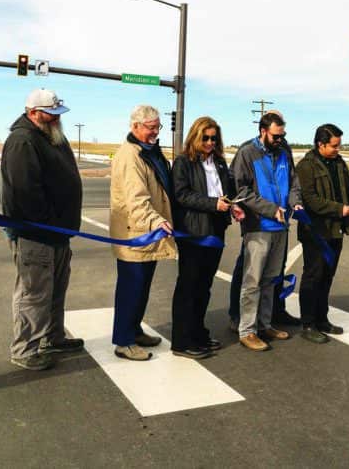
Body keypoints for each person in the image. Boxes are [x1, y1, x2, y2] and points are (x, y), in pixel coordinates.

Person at [1, 88, 84, 371]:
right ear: (34, 113)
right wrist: (48, 222)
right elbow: (24, 192)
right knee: (34, 293)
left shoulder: (50, 136)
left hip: (58, 232)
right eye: (51, 114)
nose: (56, 119)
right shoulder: (22, 141)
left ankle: (52, 336)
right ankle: (25, 348)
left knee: (55, 289)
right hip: (36, 233)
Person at [108, 105, 179, 361]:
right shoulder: (130, 156)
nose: (155, 132)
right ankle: (123, 342)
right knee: (131, 288)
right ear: (135, 126)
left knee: (142, 288)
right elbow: (136, 199)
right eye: (150, 127)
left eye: (157, 127)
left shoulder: (148, 152)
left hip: (148, 233)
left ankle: (134, 330)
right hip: (135, 234)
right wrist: (156, 221)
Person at [172, 116, 245, 357]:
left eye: (214, 138)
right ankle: (182, 341)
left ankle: (198, 332)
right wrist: (214, 204)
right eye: (205, 138)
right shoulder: (183, 162)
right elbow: (182, 195)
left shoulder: (220, 163)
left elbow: (225, 193)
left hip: (215, 230)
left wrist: (232, 206)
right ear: (195, 136)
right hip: (193, 232)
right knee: (189, 286)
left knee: (204, 286)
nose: (210, 142)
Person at [231, 112, 303, 351]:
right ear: (263, 131)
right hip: (258, 226)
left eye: (282, 135)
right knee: (252, 281)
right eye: (275, 135)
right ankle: (247, 331)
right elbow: (240, 190)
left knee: (271, 280)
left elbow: (294, 182)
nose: (279, 140)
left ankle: (265, 324)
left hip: (281, 227)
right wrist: (270, 209)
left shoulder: (285, 151)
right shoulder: (246, 153)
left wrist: (295, 202)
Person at [294, 123, 349, 343]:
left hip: (336, 231)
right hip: (316, 232)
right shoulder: (306, 166)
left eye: (339, 145)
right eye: (334, 145)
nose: (338, 149)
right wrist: (340, 209)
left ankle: (322, 319)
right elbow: (310, 199)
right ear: (321, 144)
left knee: (327, 277)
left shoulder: (339, 163)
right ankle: (308, 324)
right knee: (313, 277)